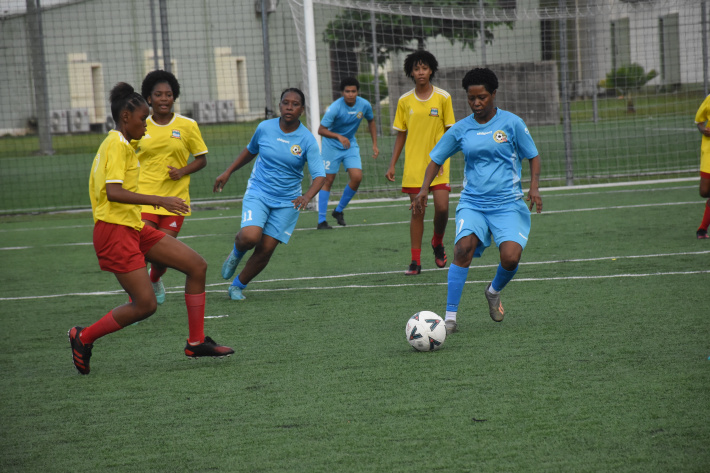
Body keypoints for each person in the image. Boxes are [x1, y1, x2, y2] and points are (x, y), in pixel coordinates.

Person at [68, 82, 233, 375]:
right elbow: (114, 192)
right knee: (145, 305)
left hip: (132, 226)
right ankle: (84, 336)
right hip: (114, 232)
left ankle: (195, 343)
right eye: (143, 119)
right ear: (126, 118)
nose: (146, 124)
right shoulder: (117, 145)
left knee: (196, 266)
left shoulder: (121, 143)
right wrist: (160, 200)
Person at [412, 67, 542, 335]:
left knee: (511, 257)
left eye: (482, 97)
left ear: (494, 94)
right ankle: (449, 318)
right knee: (462, 249)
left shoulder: (512, 123)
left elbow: (533, 156)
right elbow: (436, 159)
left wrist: (534, 188)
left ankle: (493, 292)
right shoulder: (461, 129)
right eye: (471, 98)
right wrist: (424, 189)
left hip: (508, 204)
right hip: (473, 203)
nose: (476, 103)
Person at [214, 88, 325, 300]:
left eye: (295, 104)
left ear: (302, 109)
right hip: (259, 192)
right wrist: (228, 171)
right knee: (250, 237)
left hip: (288, 201)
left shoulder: (307, 139)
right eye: (285, 103)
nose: (289, 107)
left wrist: (307, 197)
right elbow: (251, 150)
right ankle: (235, 254)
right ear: (280, 105)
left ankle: (237, 286)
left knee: (266, 248)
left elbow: (320, 175)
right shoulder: (264, 128)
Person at [135, 70, 209, 304]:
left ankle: (155, 278)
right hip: (144, 198)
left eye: (168, 94)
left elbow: (201, 159)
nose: (164, 99)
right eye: (158, 94)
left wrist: (182, 171)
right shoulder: (139, 125)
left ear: (174, 97)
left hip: (175, 201)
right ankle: (136, 301)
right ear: (149, 98)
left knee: (161, 256)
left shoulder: (187, 125)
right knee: (142, 250)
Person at [385, 50, 455, 275]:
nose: (421, 72)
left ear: (431, 70)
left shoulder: (443, 97)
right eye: (416, 68)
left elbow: (449, 132)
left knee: (442, 208)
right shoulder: (405, 101)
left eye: (424, 68)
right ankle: (415, 262)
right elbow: (401, 134)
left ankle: (437, 241)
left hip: (439, 163)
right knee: (417, 212)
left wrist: (443, 156)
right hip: (414, 166)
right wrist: (392, 164)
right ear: (411, 72)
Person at [316, 77, 379, 229]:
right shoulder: (334, 108)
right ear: (342, 92)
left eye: (353, 91)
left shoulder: (364, 105)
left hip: (350, 144)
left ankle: (338, 211)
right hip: (331, 145)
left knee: (357, 177)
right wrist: (338, 136)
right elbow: (321, 130)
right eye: (347, 91)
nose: (350, 94)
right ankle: (321, 221)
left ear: (357, 92)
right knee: (327, 180)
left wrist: (374, 144)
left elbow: (371, 121)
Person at [693, 94, 710, 239]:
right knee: (704, 191)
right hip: (709, 152)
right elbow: (699, 121)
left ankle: (702, 229)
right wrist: (703, 129)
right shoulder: (709, 99)